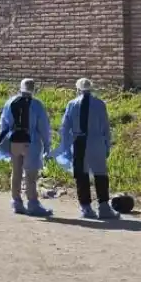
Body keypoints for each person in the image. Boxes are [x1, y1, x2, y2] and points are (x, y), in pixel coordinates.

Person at [52, 78, 118, 220]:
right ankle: (104, 206)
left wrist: (65, 146)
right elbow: (106, 127)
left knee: (81, 175)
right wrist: (107, 146)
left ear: (77, 89)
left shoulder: (72, 104)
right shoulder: (100, 104)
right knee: (101, 175)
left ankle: (86, 208)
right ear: (91, 88)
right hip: (96, 141)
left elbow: (65, 127)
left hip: (79, 142)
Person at [0, 78, 53, 217]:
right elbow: (43, 126)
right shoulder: (37, 105)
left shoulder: (10, 102)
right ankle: (33, 204)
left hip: (15, 140)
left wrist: (2, 140)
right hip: (31, 142)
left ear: (20, 88)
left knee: (16, 172)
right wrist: (47, 144)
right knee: (31, 175)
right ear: (33, 89)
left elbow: (4, 123)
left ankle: (16, 202)